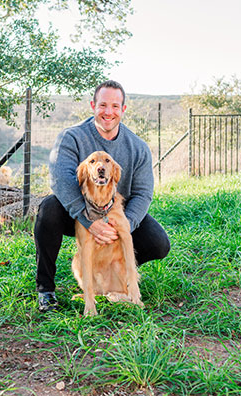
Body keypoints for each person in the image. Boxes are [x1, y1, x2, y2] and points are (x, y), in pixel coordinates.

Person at [34, 80, 170, 312]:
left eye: (115, 106)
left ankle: (111, 276)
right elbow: (60, 180)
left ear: (123, 110)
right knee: (49, 209)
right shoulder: (72, 137)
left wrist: (122, 225)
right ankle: (46, 289)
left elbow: (143, 193)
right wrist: (89, 221)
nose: (109, 112)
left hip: (116, 212)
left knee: (159, 244)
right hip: (77, 211)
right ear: (93, 106)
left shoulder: (137, 147)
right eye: (103, 105)